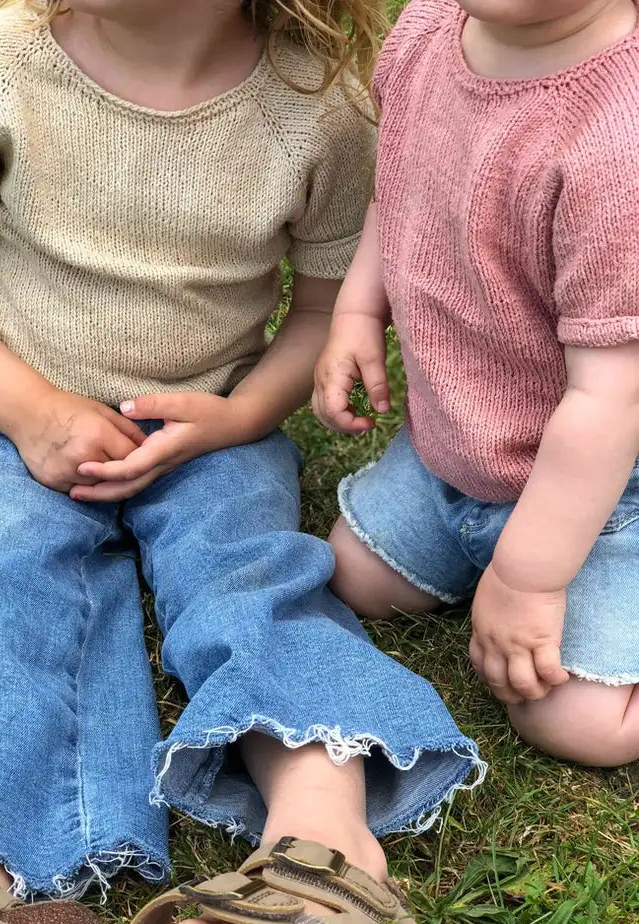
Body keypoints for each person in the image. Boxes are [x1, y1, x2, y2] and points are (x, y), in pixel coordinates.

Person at [0, 1, 485, 922]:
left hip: (215, 421)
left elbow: (323, 311)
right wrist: (30, 412)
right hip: (23, 428)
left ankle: (322, 845)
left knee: (247, 574)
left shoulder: (315, 103)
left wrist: (238, 416)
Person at [314, 0, 639, 770]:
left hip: (605, 490)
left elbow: (610, 399)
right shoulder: (426, 29)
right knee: (355, 578)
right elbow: (392, 189)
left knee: (579, 722)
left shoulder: (616, 143)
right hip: (458, 448)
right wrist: (359, 306)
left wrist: (528, 580)